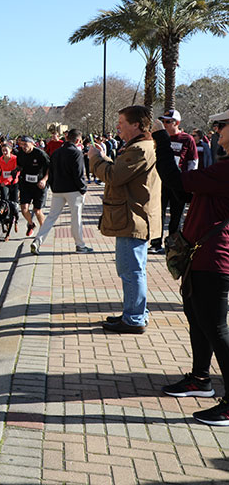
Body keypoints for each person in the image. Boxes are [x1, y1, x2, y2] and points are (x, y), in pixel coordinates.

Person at [152, 109, 229, 424]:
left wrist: (159, 136)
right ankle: (200, 379)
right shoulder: (222, 167)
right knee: (198, 319)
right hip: (202, 256)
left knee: (216, 328)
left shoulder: (227, 170)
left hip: (215, 259)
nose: (217, 132)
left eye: (221, 126)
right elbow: (182, 189)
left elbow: (176, 180)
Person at [88, 105, 161, 334]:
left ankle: (134, 318)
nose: (118, 126)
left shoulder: (139, 148)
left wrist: (95, 159)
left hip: (133, 219)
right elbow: (121, 171)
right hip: (132, 218)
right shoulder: (139, 147)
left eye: (122, 122)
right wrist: (105, 157)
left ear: (136, 125)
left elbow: (113, 176)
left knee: (131, 271)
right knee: (132, 269)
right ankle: (134, 312)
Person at [30, 129, 93, 255]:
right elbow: (79, 173)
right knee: (76, 218)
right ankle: (80, 245)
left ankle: (38, 240)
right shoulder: (76, 153)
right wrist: (83, 188)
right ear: (77, 140)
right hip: (73, 190)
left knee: (51, 217)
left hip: (58, 189)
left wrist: (53, 186)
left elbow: (51, 171)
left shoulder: (57, 152)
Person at [150, 109, 198, 253]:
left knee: (176, 216)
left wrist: (189, 180)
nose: (164, 124)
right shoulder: (158, 138)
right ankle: (156, 243)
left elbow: (193, 160)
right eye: (163, 121)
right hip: (161, 181)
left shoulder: (187, 139)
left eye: (167, 121)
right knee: (159, 212)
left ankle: (173, 244)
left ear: (176, 123)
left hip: (179, 182)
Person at [16, 136, 50, 237]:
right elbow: (20, 166)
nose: (23, 147)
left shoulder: (40, 154)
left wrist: (44, 180)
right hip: (26, 184)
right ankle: (31, 224)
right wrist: (15, 170)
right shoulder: (20, 154)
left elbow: (50, 168)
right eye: (21, 145)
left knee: (37, 210)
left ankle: (43, 230)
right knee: (24, 209)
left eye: (25, 144)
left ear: (32, 144)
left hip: (39, 185)